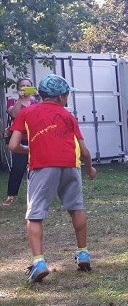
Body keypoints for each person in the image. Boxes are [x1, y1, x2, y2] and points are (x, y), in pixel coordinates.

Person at [8, 75, 97, 283]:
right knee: (76, 207)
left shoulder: (27, 113)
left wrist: (29, 149)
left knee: (35, 214)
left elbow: (12, 146)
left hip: (42, 167)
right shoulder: (68, 116)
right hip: (70, 165)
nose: (67, 98)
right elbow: (83, 150)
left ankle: (39, 262)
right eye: (66, 95)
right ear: (59, 96)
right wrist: (90, 168)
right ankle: (83, 253)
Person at [4, 78, 38, 206]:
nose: (24, 87)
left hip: (34, 138)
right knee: (18, 168)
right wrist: (20, 98)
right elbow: (14, 114)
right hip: (19, 138)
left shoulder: (36, 102)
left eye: (27, 86)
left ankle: (36, 194)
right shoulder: (12, 101)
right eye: (22, 85)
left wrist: (40, 97)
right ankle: (11, 195)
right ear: (18, 88)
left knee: (37, 168)